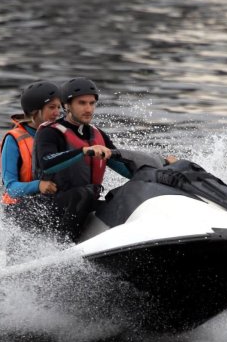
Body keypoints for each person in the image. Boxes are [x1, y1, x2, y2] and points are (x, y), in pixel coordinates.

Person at [34, 77, 176, 242]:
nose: (88, 109)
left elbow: (126, 169)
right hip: (54, 209)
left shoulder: (98, 135)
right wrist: (84, 151)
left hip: (85, 205)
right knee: (83, 194)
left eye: (92, 103)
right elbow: (47, 164)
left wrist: (162, 166)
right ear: (67, 105)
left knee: (127, 193)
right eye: (82, 103)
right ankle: (62, 246)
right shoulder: (50, 132)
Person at [0, 80, 61, 232]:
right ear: (35, 112)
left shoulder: (60, 133)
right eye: (51, 107)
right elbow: (11, 189)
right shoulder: (13, 140)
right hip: (20, 209)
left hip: (51, 203)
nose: (57, 113)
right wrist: (39, 185)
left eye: (59, 107)